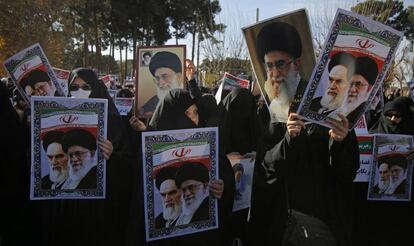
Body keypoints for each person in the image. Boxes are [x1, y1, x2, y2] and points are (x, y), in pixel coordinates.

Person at [249, 110, 359, 246]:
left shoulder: (339, 119)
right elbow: (267, 165)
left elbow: (348, 172)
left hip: (326, 222)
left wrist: (340, 141)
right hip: (285, 221)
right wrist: (289, 138)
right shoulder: (280, 116)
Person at [257, 22, 308, 122]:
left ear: (296, 64)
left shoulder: (312, 94)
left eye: (280, 64)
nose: (275, 74)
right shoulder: (267, 99)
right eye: (269, 66)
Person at [139, 51, 183, 116]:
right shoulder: (149, 107)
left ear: (178, 77)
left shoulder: (189, 100)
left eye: (165, 76)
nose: (160, 84)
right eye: (157, 78)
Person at [343, 56, 378, 126]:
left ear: (369, 88)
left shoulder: (370, 117)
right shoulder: (334, 113)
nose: (352, 89)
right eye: (350, 83)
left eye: (358, 84)